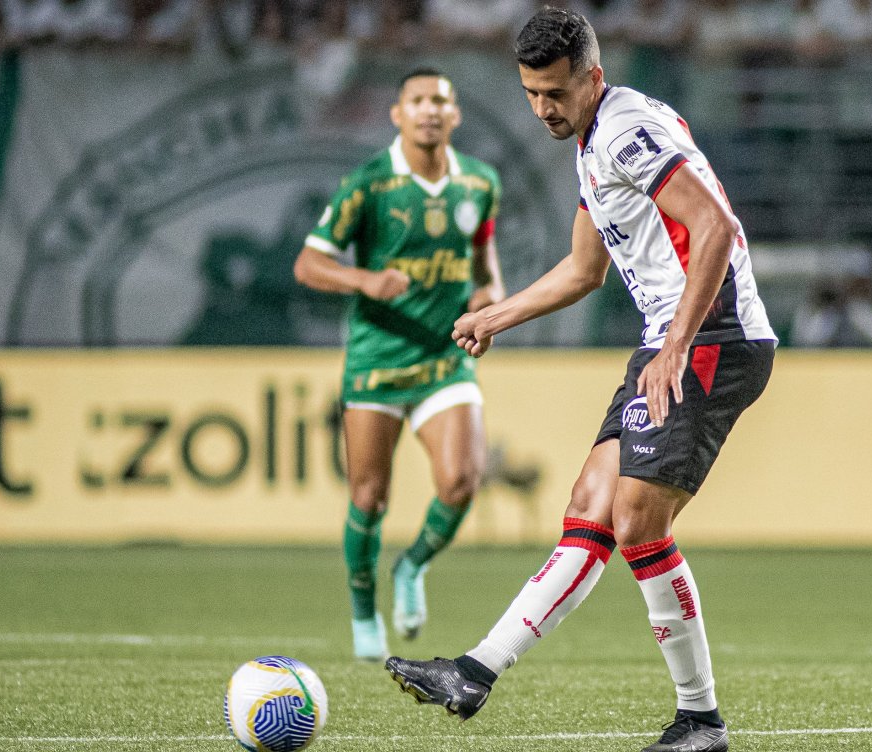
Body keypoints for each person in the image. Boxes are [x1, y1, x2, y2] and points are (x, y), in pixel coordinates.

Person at [384, 8, 775, 752]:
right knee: (590, 509)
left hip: (710, 337)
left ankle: (701, 720)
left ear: (593, 77)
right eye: (532, 94)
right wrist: (497, 315)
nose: (542, 110)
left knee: (637, 526)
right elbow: (584, 270)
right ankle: (474, 672)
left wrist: (676, 346)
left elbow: (717, 226)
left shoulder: (627, 129)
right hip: (673, 340)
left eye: (556, 94)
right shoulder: (593, 141)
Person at [293, 68, 505, 662]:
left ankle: (411, 567)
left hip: (444, 358)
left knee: (462, 482)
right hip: (378, 361)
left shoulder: (480, 183)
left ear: (455, 114)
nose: (430, 110)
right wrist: (366, 280)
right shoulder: (368, 185)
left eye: (440, 99)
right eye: (417, 101)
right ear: (398, 115)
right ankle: (364, 614)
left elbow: (486, 269)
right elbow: (308, 265)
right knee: (369, 496)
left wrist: (489, 305)